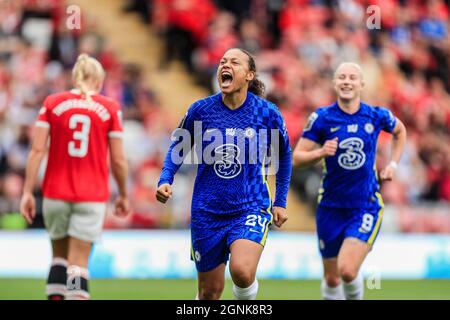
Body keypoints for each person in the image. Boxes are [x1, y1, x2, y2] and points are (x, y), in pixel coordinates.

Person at [156, 48, 292, 300]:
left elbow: (284, 156)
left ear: (250, 74)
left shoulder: (267, 113)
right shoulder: (201, 110)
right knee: (209, 292)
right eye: (222, 62)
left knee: (241, 271)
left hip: (249, 207)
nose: (225, 65)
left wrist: (280, 201)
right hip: (207, 211)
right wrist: (166, 178)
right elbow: (178, 147)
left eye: (234, 62)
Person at [20, 53, 130, 300]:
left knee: (58, 258)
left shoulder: (51, 103)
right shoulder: (110, 108)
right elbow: (118, 159)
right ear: (98, 81)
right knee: (78, 264)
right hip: (91, 195)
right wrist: (123, 193)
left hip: (55, 193)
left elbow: (37, 150)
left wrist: (27, 191)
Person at [293, 62, 407, 300]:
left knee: (347, 270)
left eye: (352, 77)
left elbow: (400, 131)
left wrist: (393, 165)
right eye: (341, 77)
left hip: (365, 206)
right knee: (332, 278)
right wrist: (320, 152)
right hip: (330, 208)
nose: (347, 81)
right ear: (335, 83)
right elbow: (297, 158)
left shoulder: (375, 115)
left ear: (361, 84)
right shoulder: (322, 118)